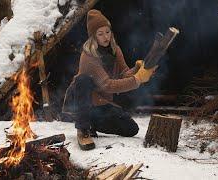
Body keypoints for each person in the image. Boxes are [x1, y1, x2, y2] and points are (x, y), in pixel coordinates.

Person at [62, 9, 157, 150]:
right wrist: (137, 80)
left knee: (131, 129)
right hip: (81, 101)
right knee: (83, 80)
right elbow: (107, 85)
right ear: (93, 37)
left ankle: (92, 121)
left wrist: (137, 69)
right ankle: (83, 129)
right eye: (100, 34)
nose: (105, 37)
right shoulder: (88, 56)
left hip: (101, 102)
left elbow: (124, 73)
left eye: (107, 32)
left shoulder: (115, 49)